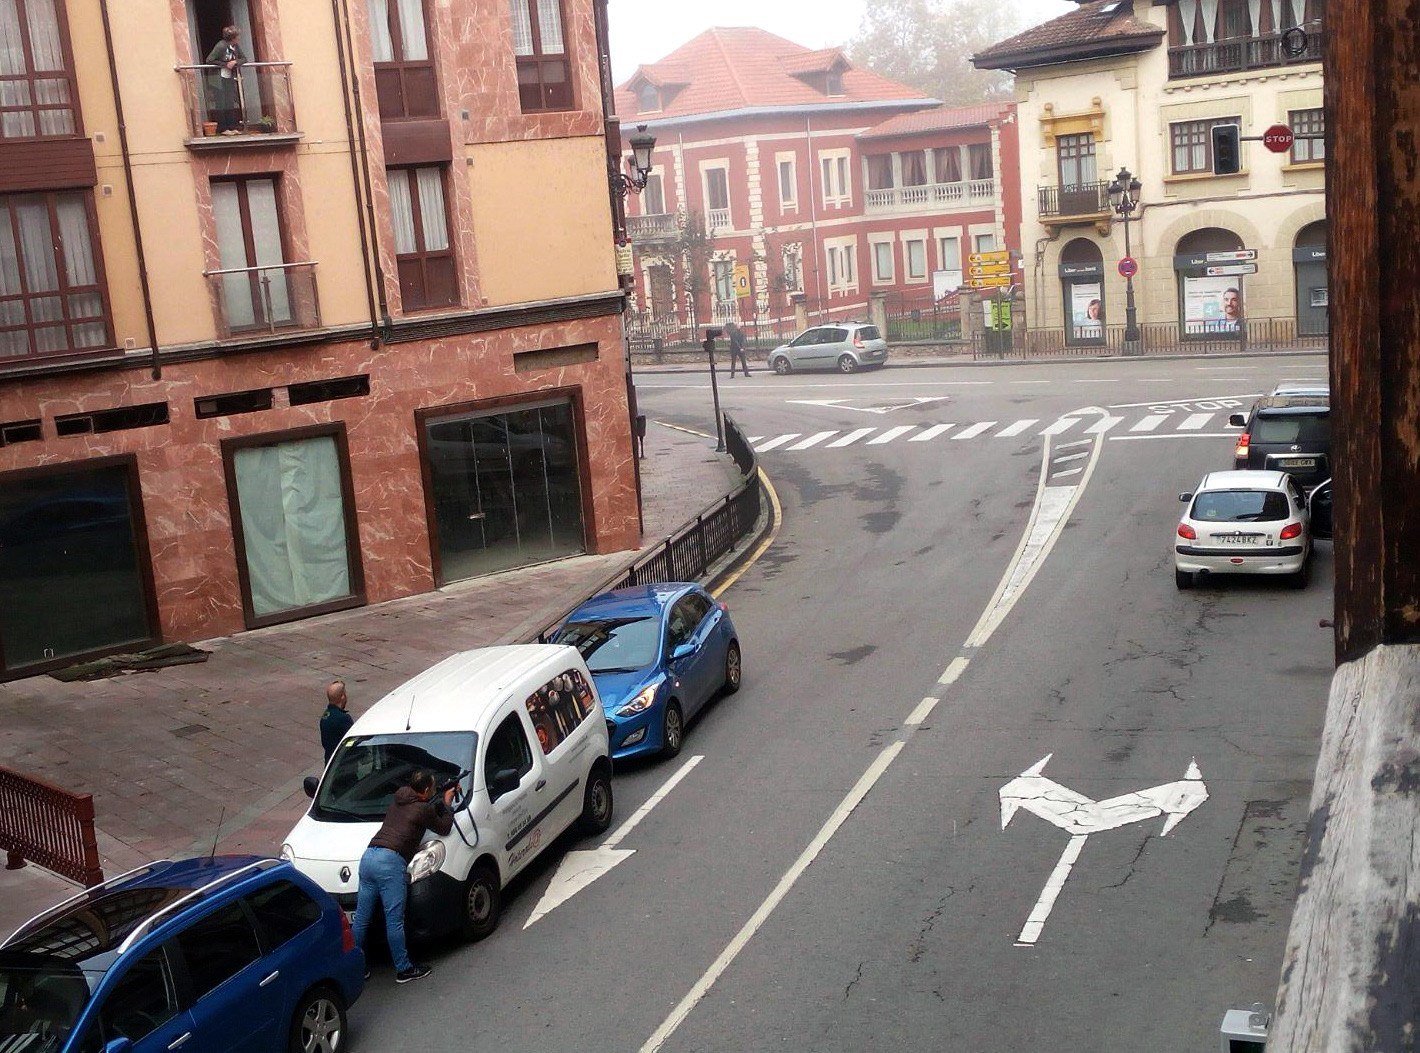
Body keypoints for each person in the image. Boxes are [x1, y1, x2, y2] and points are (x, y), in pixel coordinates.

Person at [352, 770, 454, 984]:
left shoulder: (399, 798)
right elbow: (444, 827)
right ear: (426, 790)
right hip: (390, 862)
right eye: (433, 787)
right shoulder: (422, 808)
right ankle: (404, 968)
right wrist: (447, 803)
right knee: (394, 920)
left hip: (369, 857)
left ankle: (355, 968)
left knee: (361, 918)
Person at [205, 26, 246, 135]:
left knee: (229, 102)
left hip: (229, 77)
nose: (239, 38)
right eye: (237, 36)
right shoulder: (221, 46)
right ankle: (223, 128)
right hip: (218, 79)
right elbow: (209, 60)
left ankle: (232, 127)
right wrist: (225, 64)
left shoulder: (236, 46)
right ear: (233, 37)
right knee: (221, 103)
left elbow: (244, 58)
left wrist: (235, 62)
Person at [320, 680, 353, 763]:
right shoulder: (343, 718)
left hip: (330, 761)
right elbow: (351, 740)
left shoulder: (325, 715)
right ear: (342, 697)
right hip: (343, 764)